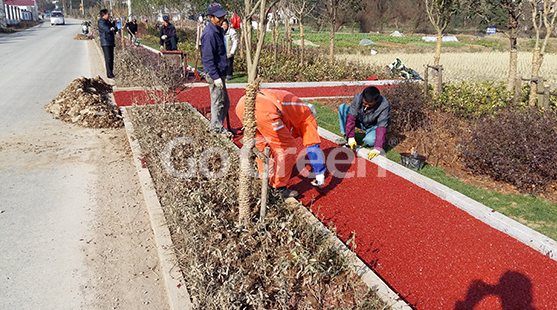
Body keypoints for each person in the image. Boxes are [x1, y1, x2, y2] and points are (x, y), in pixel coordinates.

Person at [236, 89, 327, 198]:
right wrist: (319, 172)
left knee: (263, 144)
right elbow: (313, 145)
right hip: (264, 108)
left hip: (244, 104)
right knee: (287, 147)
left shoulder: (293, 109)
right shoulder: (307, 117)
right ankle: (279, 188)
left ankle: (266, 180)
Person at [200, 3, 231, 136]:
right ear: (211, 17)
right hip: (215, 74)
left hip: (220, 72)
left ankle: (218, 125)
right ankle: (216, 129)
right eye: (218, 17)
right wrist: (215, 76)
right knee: (218, 101)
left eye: (222, 16)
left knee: (224, 102)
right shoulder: (209, 34)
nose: (222, 19)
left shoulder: (217, 30)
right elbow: (207, 59)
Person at [338, 86, 391, 159]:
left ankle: (372, 141)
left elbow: (381, 127)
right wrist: (351, 137)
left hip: (373, 126)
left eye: (370, 105)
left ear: (377, 100)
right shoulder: (358, 98)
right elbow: (351, 118)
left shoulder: (384, 105)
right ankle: (346, 136)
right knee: (342, 108)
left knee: (369, 140)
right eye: (365, 103)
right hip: (360, 120)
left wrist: (377, 148)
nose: (367, 106)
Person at [98, 9, 117, 79]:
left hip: (110, 42)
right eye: (108, 14)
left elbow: (115, 28)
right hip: (105, 42)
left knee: (111, 59)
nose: (109, 15)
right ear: (104, 15)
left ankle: (111, 73)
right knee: (108, 59)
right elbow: (108, 29)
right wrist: (111, 28)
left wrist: (113, 26)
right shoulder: (101, 22)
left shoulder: (108, 22)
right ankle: (109, 74)